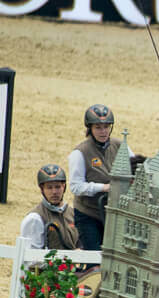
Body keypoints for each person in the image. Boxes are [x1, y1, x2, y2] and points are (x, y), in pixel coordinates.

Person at [68, 104, 138, 251]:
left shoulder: (120, 146)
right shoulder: (80, 152)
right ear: (90, 128)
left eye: (106, 127)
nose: (103, 131)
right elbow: (75, 186)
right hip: (88, 214)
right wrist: (103, 188)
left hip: (115, 212)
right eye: (98, 127)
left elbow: (136, 168)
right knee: (94, 255)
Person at [20, 164, 79, 250]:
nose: (54, 192)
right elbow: (31, 257)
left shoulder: (74, 214)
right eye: (49, 188)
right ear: (42, 189)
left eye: (58, 187)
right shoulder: (35, 218)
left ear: (64, 187)